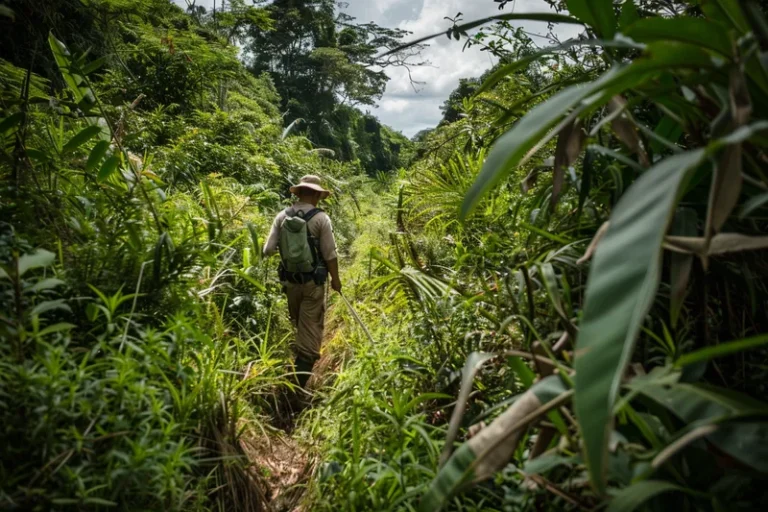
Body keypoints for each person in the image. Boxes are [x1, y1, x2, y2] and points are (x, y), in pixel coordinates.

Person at [263, 175, 342, 389]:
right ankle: (295, 390)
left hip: (290, 283)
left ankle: (291, 377)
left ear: (298, 193)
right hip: (313, 284)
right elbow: (330, 254)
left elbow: (268, 250)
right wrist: (336, 280)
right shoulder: (321, 219)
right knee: (310, 336)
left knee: (299, 326)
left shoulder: (281, 216)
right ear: (317, 194)